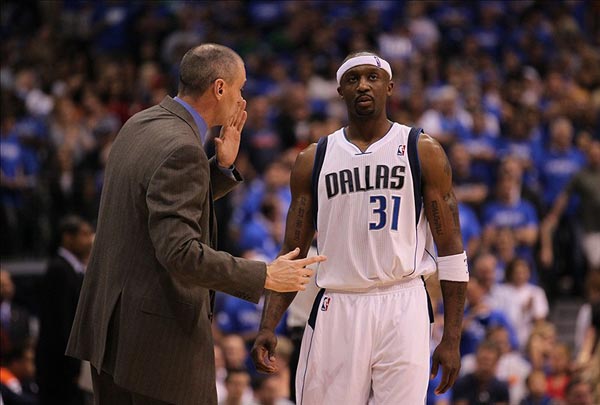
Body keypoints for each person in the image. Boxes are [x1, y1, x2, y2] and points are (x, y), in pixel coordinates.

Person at [65, 43, 325, 405]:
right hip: (155, 348)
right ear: (220, 88)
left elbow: (154, 202)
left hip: (110, 333)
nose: (242, 99)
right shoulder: (182, 149)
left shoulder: (140, 122)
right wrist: (265, 275)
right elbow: (180, 253)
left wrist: (218, 170)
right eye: (240, 88)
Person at [251, 52, 468, 404]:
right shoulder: (314, 159)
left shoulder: (421, 150)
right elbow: (292, 254)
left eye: (372, 77)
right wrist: (268, 324)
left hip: (405, 303)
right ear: (340, 90)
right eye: (353, 79)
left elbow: (452, 247)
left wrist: (453, 335)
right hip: (339, 303)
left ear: (390, 87)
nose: (363, 84)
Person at [36, 215, 94, 405]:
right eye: (84, 234)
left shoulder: (73, 269)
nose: (90, 239)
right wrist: (74, 367)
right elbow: (61, 324)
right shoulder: (59, 269)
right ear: (68, 238)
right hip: (60, 369)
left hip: (67, 366)